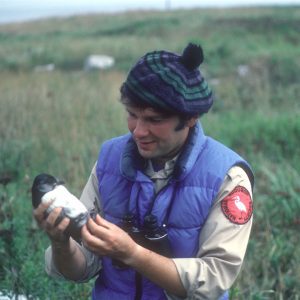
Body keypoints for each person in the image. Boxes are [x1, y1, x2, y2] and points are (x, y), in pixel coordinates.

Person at [33, 43, 254, 300]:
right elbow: (84, 264)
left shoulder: (227, 177)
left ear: (190, 118)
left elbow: (213, 280)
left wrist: (132, 253)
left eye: (154, 119)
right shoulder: (110, 160)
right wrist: (61, 243)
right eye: (132, 114)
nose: (138, 131)